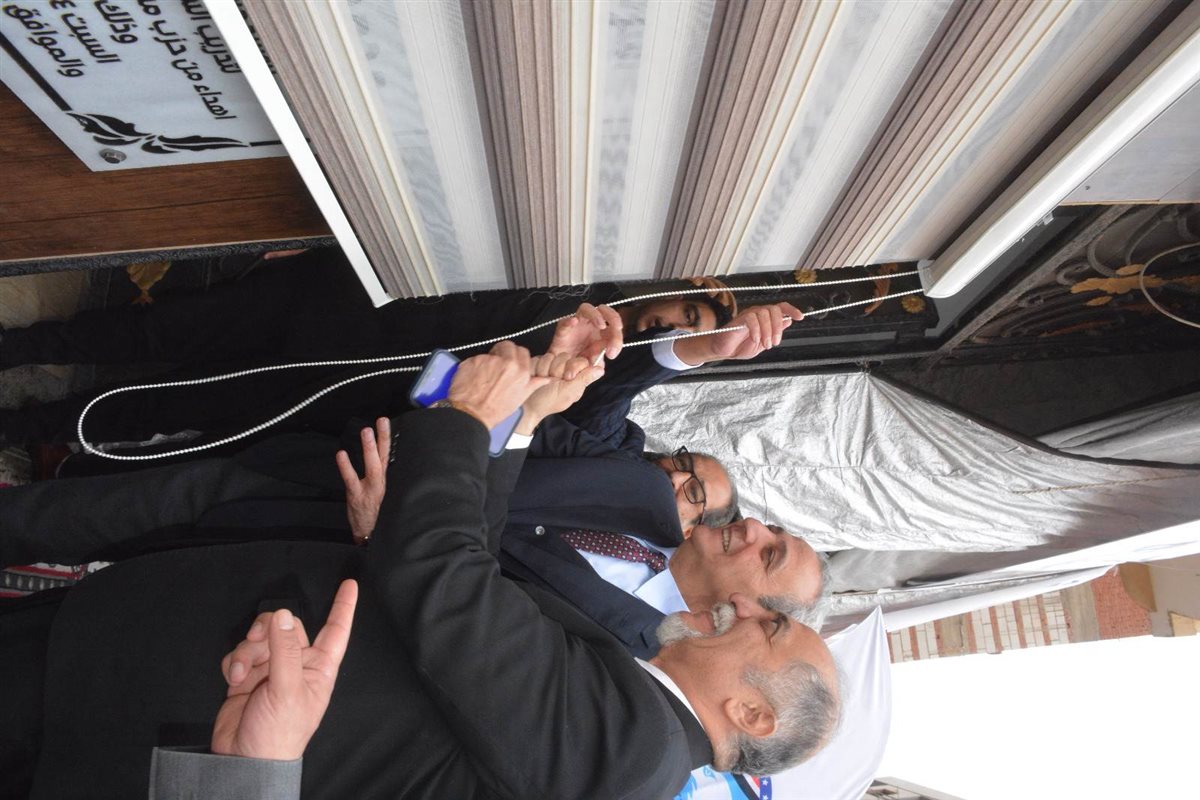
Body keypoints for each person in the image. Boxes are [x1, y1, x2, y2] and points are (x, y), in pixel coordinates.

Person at [1, 341, 840, 799]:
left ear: (751, 715)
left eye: (770, 624)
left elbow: (449, 587)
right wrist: (520, 425)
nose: (746, 608)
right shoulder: (634, 714)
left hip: (132, 707)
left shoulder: (631, 752)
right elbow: (481, 597)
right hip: (167, 667)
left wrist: (465, 421)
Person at [0, 246, 735, 446]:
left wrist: (533, 369)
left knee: (147, 409)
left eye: (691, 332)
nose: (674, 327)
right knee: (143, 331)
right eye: (688, 312)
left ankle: (20, 426)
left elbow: (438, 392)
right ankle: (16, 347)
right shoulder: (575, 264)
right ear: (676, 285)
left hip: (327, 381)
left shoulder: (582, 366)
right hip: (318, 301)